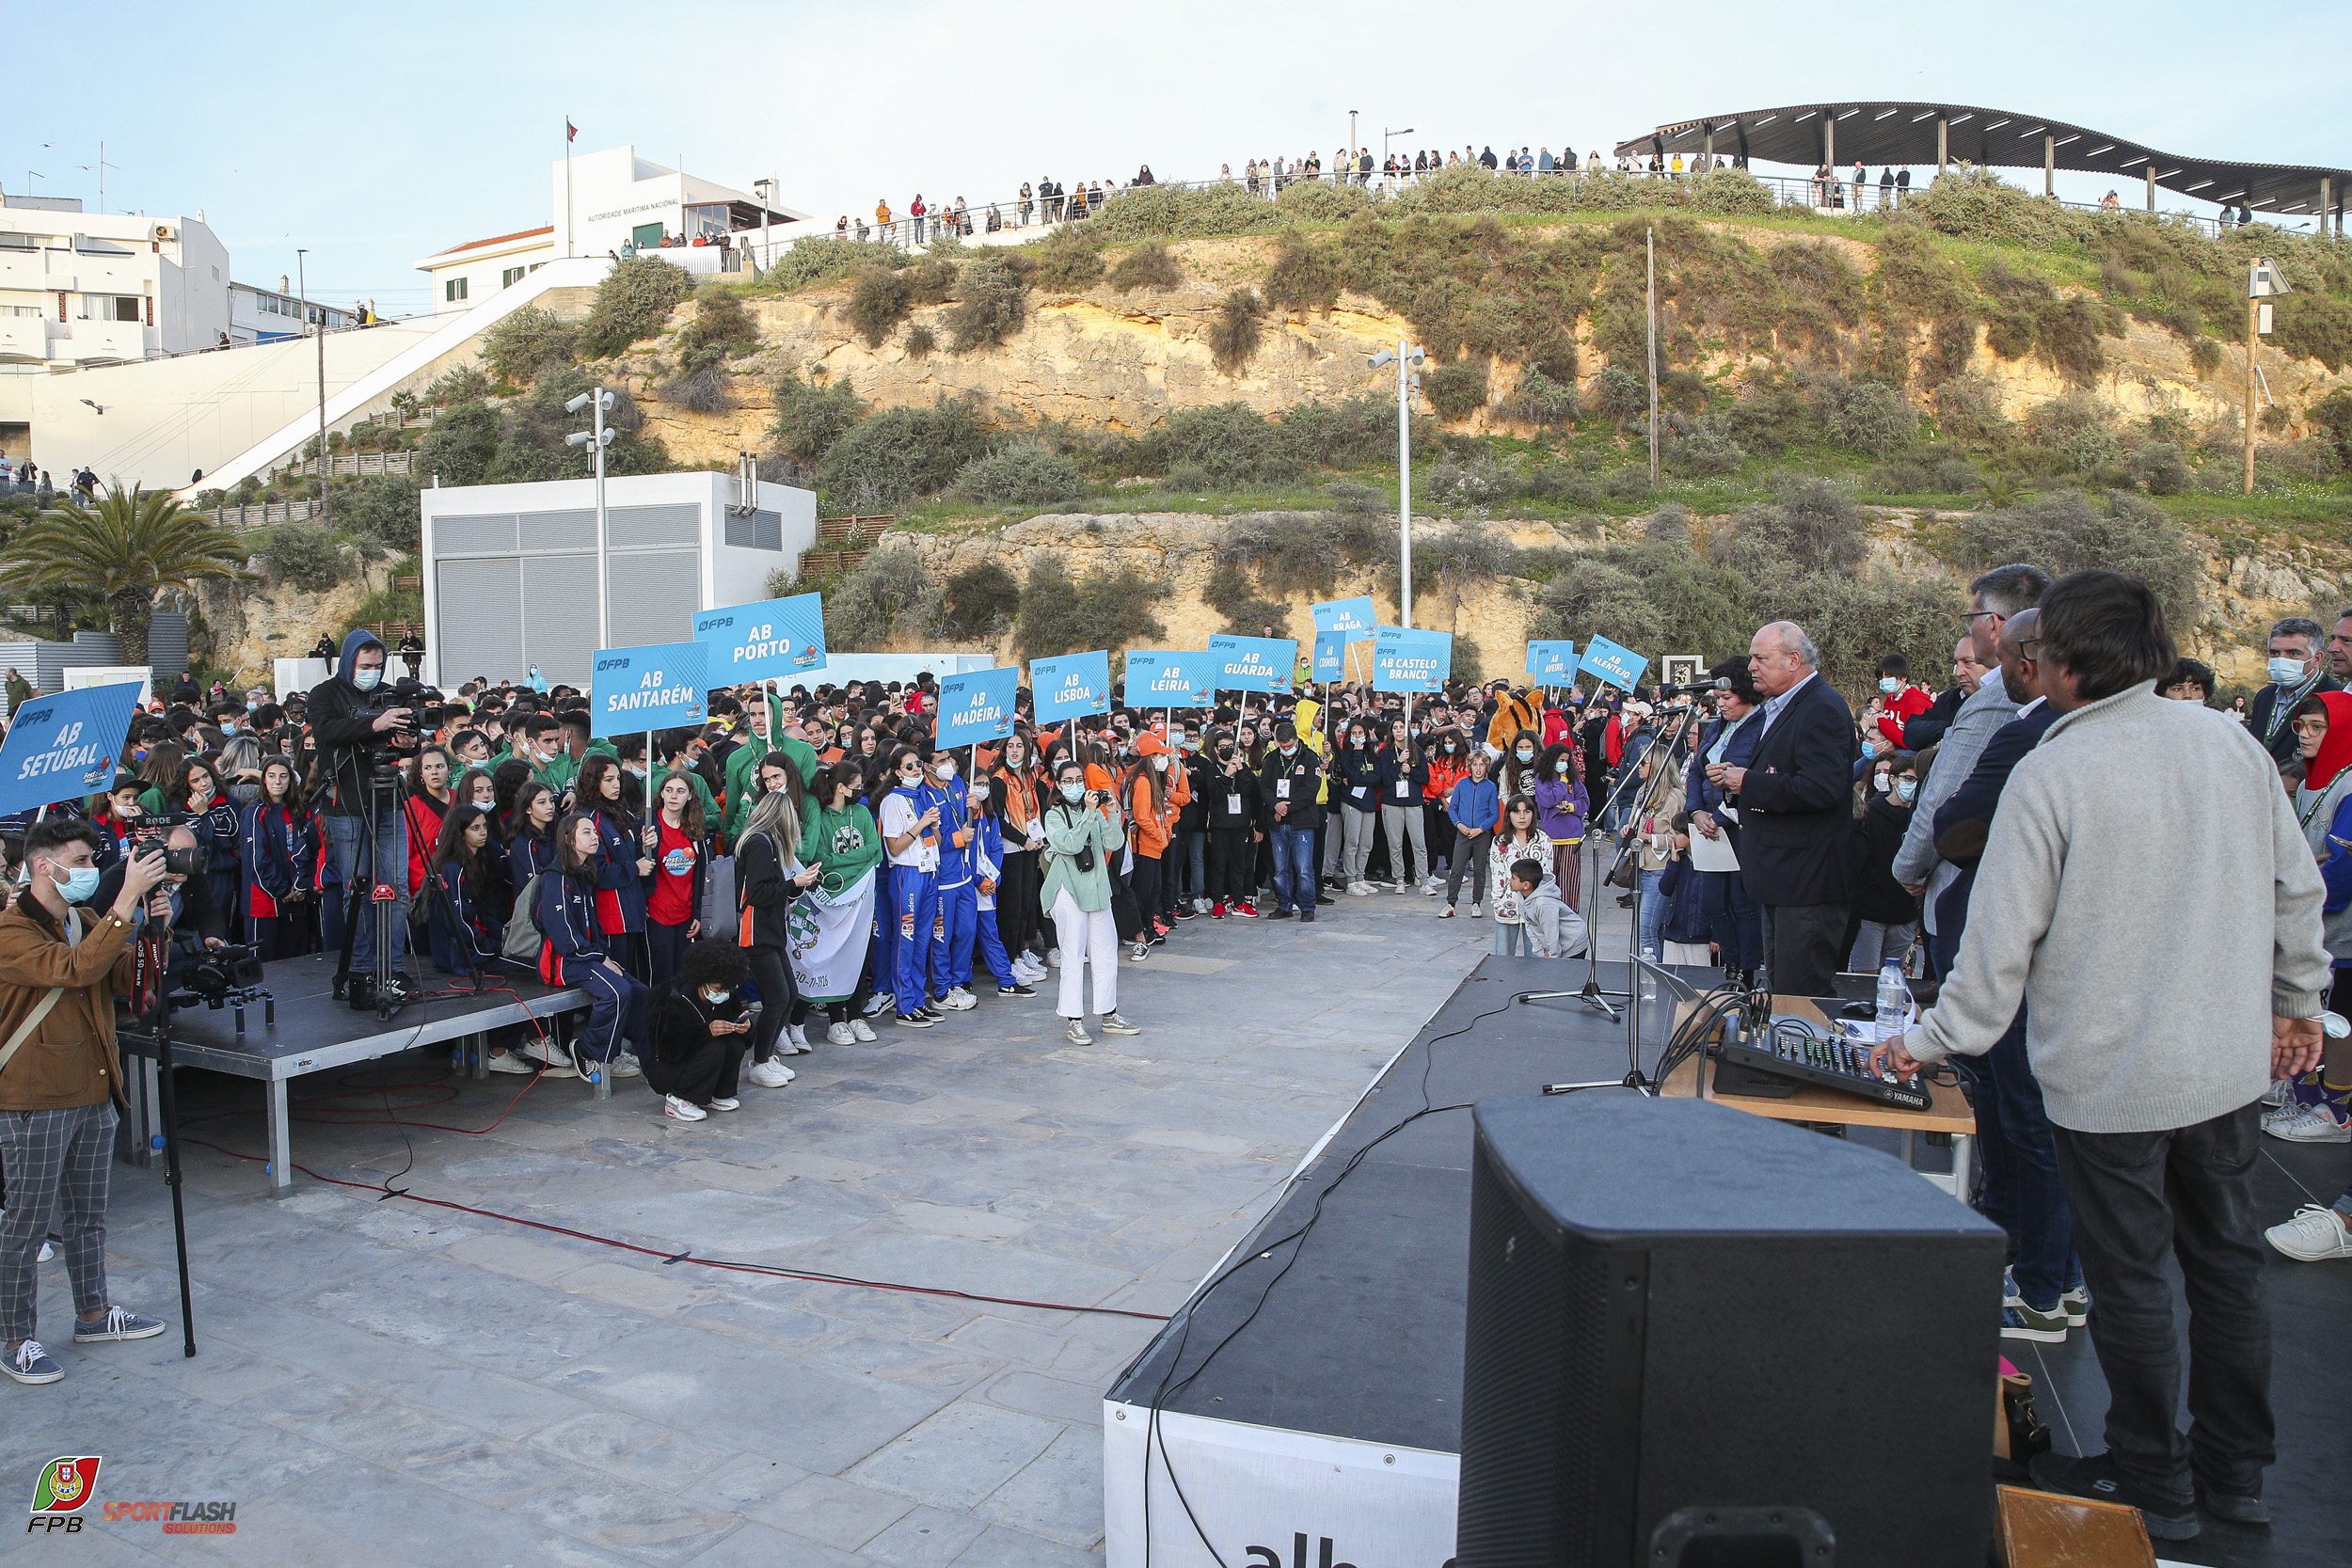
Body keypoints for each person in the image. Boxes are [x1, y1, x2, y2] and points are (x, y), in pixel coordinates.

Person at [1876, 570, 2329, 1542]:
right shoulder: (2226, 742)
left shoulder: (2052, 766)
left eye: (2027, 654)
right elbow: (2297, 887)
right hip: (2223, 1067)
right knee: (2225, 1270)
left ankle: (2153, 1479)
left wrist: (1921, 1042)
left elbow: (1997, 949)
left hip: (2109, 1078)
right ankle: (2234, 1473)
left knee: (2129, 1284)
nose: (2016, 664)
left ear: (2067, 662)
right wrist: (2298, 999)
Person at [0, 820, 175, 1386]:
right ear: (45, 866)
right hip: (35, 1095)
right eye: (79, 859)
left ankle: (93, 1314)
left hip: (93, 1085)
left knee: (88, 1218)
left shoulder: (81, 918)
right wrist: (125, 899)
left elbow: (123, 975)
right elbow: (74, 970)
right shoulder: (9, 930)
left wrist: (153, 931)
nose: (90, 869)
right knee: (25, 1227)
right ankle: (15, 1337)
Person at [1893, 564, 2048, 978]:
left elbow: (1947, 797)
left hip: (1965, 896)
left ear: (1994, 625)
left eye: (1971, 619)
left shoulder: (1995, 700)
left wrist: (1909, 867)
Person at [1710, 622, 1856, 998]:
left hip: (1807, 882)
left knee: (1799, 998)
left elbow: (1822, 788)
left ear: (1794, 660)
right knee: (1782, 992)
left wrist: (1750, 782)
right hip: (1783, 879)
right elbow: (1786, 774)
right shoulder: (1783, 707)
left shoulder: (1821, 708)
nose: (1751, 666)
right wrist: (1737, 779)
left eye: (1761, 658)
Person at [308, 631, 420, 1008]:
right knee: (359, 890)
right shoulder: (325, 693)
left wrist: (406, 740)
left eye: (377, 666)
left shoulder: (387, 694)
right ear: (349, 662)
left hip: (388, 799)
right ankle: (361, 968)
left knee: (396, 887)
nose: (372, 673)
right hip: (346, 804)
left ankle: (393, 966)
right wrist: (377, 724)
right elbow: (327, 731)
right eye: (365, 666)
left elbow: (407, 733)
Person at [535, 812, 647, 1080]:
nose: (594, 836)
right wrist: (598, 957)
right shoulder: (555, 877)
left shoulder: (583, 874)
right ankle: (591, 1053)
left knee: (640, 990)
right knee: (617, 991)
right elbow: (564, 937)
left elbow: (591, 926)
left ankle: (619, 1049)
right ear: (569, 839)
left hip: (587, 955)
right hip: (564, 962)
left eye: (594, 832)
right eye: (586, 832)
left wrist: (602, 955)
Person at [1041, 758, 1138, 1045]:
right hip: (1068, 888)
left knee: (1107, 953)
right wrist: (1089, 814)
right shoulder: (1053, 815)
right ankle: (1074, 1020)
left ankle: (1109, 1013)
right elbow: (1068, 845)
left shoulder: (1094, 810)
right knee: (1073, 955)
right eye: (1068, 781)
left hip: (1097, 888)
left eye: (1079, 780)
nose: (1075, 786)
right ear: (1058, 785)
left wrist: (1112, 814)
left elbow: (1112, 844)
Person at [788, 760, 883, 1046]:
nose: (860, 791)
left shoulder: (862, 813)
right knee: (832, 956)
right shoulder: (820, 816)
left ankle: (855, 1016)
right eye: (856, 786)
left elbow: (875, 851)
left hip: (861, 898)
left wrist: (844, 865)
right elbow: (821, 859)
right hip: (829, 900)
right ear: (841, 788)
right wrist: (856, 861)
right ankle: (836, 1020)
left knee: (858, 956)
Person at [644, 940, 755, 1121]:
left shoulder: (726, 993)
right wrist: (706, 1032)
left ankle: (719, 1092)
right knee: (715, 1047)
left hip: (697, 1060)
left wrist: (745, 1029)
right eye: (719, 988)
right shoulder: (675, 998)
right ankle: (681, 1098)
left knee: (734, 1043)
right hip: (666, 1069)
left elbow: (746, 1039)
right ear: (703, 980)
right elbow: (669, 1051)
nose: (724, 992)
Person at [1845, 752, 1920, 972]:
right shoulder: (1873, 813)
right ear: (1894, 780)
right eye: (1907, 779)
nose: (1911, 785)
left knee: (1895, 978)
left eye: (1916, 780)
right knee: (1865, 976)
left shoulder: (1919, 815)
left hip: (1905, 911)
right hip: (1871, 911)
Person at [238, 755, 312, 958]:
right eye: (271, 776)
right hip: (263, 903)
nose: (277, 782)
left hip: (295, 900)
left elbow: (306, 851)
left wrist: (299, 886)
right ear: (264, 780)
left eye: (283, 776)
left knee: (294, 963)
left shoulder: (297, 810)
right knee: (264, 966)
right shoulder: (255, 811)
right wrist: (281, 889)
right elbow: (256, 859)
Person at [2243, 615, 2336, 769]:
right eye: (2274, 653)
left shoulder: (2335, 698)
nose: (2281, 660)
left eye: (2293, 654)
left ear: (2317, 658)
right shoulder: (2264, 696)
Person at [643, 771, 707, 990]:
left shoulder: (694, 829)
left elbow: (700, 874)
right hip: (657, 914)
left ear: (689, 796)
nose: (674, 796)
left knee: (683, 979)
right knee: (660, 980)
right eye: (669, 790)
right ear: (661, 793)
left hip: (686, 915)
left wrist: (697, 912)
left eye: (680, 791)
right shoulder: (648, 827)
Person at [1260, 721, 1324, 922]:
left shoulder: (1310, 758)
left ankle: (1307, 906)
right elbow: (1264, 787)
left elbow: (1311, 789)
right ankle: (1284, 904)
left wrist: (1288, 806)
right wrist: (1275, 804)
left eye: (1289, 745)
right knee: (1281, 868)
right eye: (1282, 746)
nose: (1286, 749)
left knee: (1304, 868)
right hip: (1277, 822)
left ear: (1296, 740)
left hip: (1302, 821)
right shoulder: (1271, 759)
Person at [1441, 747, 1500, 918]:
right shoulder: (1462, 784)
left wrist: (1481, 829)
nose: (1478, 768)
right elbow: (1453, 808)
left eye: (1482, 764)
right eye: (1475, 764)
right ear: (1470, 766)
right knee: (1457, 869)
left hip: (1481, 834)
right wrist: (1459, 824)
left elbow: (1494, 813)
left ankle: (1476, 903)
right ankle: (1450, 903)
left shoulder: (1490, 787)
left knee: (1480, 870)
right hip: (1463, 832)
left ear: (1487, 767)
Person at [1489, 798, 1549, 956]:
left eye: (1526, 812)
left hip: (1535, 908)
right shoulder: (1500, 842)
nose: (1522, 817)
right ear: (1509, 815)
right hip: (1507, 906)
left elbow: (1547, 875)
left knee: (1536, 956)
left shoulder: (1543, 840)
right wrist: (1497, 901)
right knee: (1503, 957)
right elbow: (1497, 875)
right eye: (1517, 812)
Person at [1379, 716, 1429, 895]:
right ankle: (1399, 878)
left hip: (1413, 802)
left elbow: (1425, 778)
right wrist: (1399, 762)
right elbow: (1384, 779)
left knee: (1419, 842)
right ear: (1391, 732)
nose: (1399, 731)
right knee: (1395, 843)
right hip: (1392, 802)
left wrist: (1411, 771)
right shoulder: (1386, 752)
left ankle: (1423, 879)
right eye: (1395, 728)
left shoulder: (1416, 751)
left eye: (1401, 727)